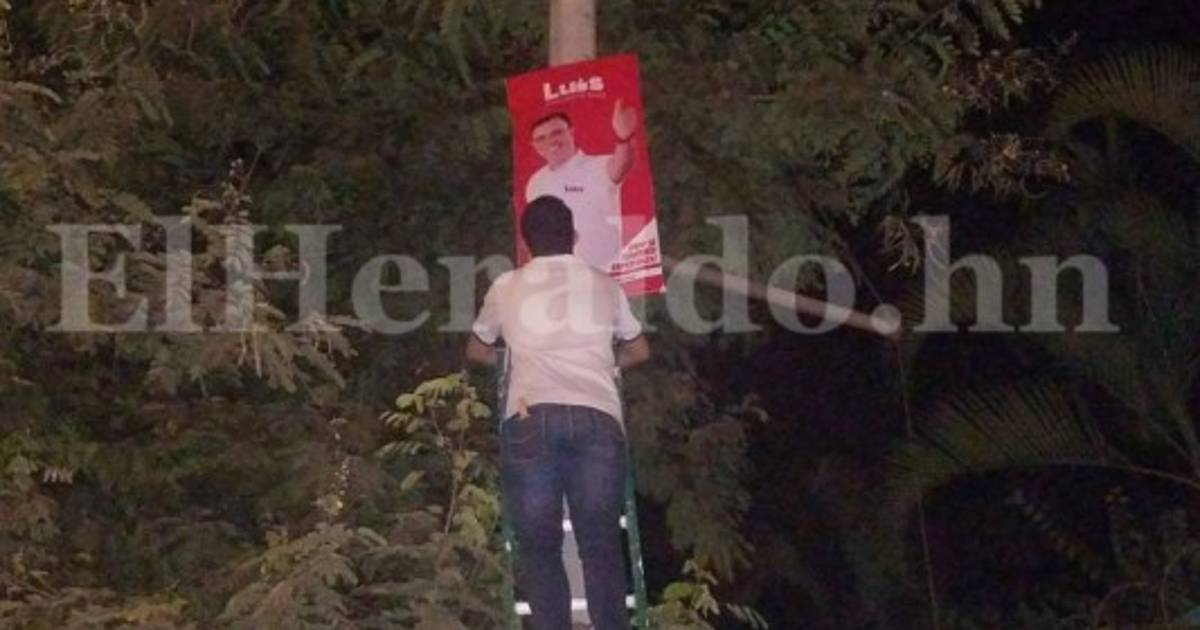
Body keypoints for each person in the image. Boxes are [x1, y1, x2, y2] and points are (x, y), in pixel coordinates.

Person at [467, 195, 650, 630]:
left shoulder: (505, 286)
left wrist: (509, 362)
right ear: (575, 237)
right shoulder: (605, 285)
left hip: (529, 416)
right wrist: (608, 365)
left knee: (539, 548)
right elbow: (640, 350)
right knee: (600, 547)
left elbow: (476, 349)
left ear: (525, 243)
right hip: (597, 418)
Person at [524, 100, 638, 274]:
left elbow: (621, 164)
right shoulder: (535, 182)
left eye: (557, 133)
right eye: (541, 138)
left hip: (607, 273)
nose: (551, 141)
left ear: (571, 132)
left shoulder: (597, 166)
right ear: (534, 146)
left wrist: (623, 138)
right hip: (563, 279)